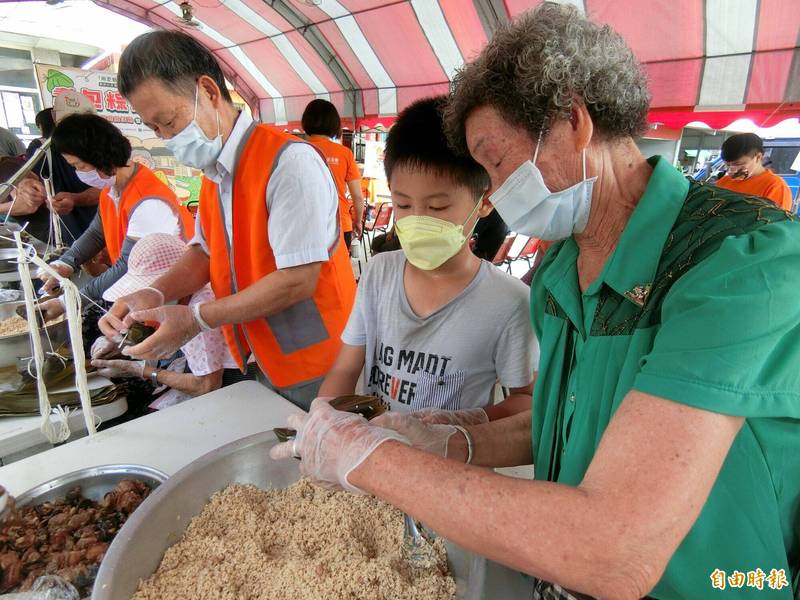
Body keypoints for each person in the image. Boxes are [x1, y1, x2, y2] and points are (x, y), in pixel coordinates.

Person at [271, 5, 800, 600]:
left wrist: (369, 458)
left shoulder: (742, 265)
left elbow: (615, 549)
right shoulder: (555, 274)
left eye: (494, 163)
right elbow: (564, 428)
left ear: (573, 122)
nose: (493, 193)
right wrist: (449, 440)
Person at [99, 31, 356, 409]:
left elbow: (298, 281)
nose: (166, 138)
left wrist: (196, 319)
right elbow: (204, 252)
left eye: (168, 121)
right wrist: (154, 292)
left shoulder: (288, 162)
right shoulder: (216, 173)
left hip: (319, 361)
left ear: (208, 91)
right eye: (154, 129)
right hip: (265, 354)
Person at [319, 97, 536, 418]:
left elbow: (525, 400)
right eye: (403, 206)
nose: (417, 220)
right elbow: (345, 367)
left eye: (437, 208)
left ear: (485, 201)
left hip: (447, 463)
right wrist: (323, 420)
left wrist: (458, 429)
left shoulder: (509, 302)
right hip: (376, 454)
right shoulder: (379, 273)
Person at [37, 113, 194, 317]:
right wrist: (65, 263)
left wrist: (69, 302)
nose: (78, 172)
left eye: (79, 166)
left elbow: (125, 267)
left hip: (170, 300)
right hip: (141, 295)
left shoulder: (149, 204)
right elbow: (96, 232)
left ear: (100, 158)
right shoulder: (113, 189)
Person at [91, 234, 249, 410]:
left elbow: (206, 385)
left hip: (237, 390)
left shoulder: (196, 310)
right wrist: (122, 346)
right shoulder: (186, 298)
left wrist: (141, 371)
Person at [17, 93, 102, 241]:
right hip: (69, 234)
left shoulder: (102, 145)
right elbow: (31, 177)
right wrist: (26, 185)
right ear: (54, 116)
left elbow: (108, 187)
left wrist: (75, 199)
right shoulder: (42, 149)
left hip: (103, 230)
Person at [302, 99, 365, 248]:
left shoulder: (296, 150)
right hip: (340, 224)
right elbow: (357, 197)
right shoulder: (344, 154)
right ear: (334, 123)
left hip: (306, 224)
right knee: (339, 270)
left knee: (309, 271)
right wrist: (357, 221)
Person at [715, 132, 793, 211]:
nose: (733, 170)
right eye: (728, 165)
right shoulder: (723, 182)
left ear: (758, 157)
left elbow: (778, 221)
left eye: (739, 164)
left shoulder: (775, 187)